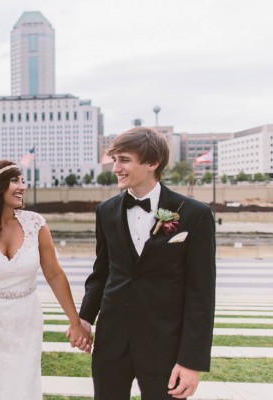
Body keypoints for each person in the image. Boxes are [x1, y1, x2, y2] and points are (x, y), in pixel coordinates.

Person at [76, 127, 216, 399]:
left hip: (165, 344)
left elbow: (201, 293)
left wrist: (191, 362)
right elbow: (102, 272)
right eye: (114, 159)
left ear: (153, 163)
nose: (116, 167)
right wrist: (85, 318)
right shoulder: (105, 211)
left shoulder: (195, 215)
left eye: (124, 160)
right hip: (112, 342)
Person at [0, 159, 92, 399]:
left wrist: (75, 322)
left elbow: (54, 274)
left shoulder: (36, 225)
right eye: (14, 180)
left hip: (25, 321)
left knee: (22, 384)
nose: (22, 186)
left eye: (22, 180)